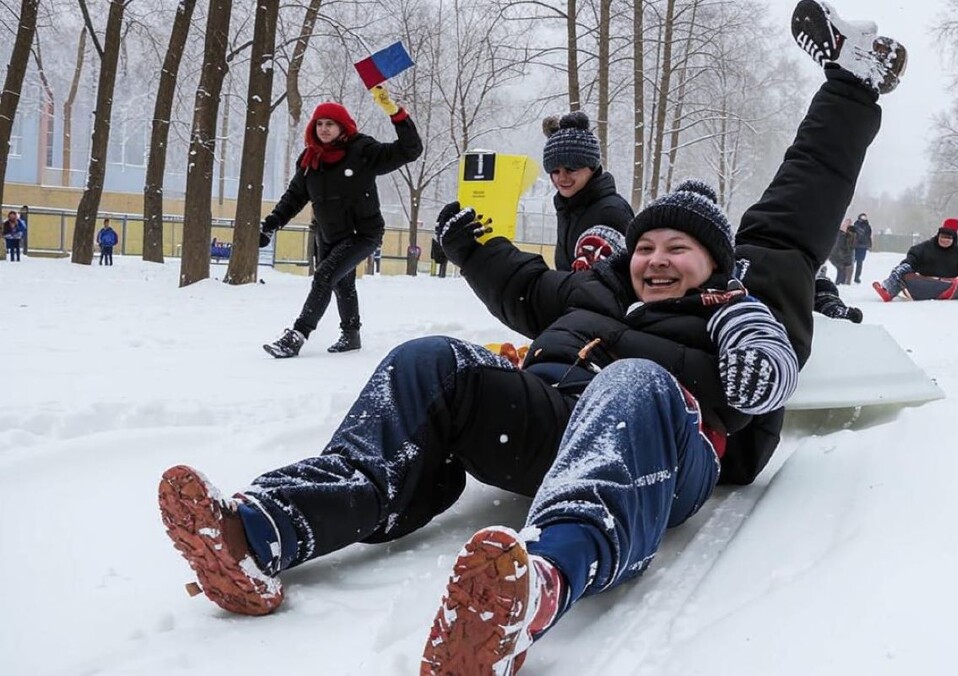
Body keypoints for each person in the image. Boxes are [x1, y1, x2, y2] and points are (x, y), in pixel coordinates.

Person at [155, 2, 902, 673]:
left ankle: (531, 592)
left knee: (633, 380)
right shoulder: (599, 288)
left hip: (661, 451)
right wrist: (470, 246)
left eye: (680, 248)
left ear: (715, 261)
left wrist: (849, 90)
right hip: (548, 425)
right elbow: (524, 287)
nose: (656, 258)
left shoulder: (740, 300)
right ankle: (259, 533)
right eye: (646, 247)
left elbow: (801, 215)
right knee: (431, 358)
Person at [260, 85, 423, 358]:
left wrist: (396, 114)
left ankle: (297, 335)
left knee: (325, 276)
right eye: (319, 123)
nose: (324, 129)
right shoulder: (310, 158)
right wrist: (271, 224)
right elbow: (294, 196)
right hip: (328, 234)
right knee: (341, 282)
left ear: (342, 126)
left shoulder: (362, 150)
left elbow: (410, 149)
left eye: (330, 124)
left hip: (363, 233)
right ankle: (351, 335)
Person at [542, 111, 635, 271]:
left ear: (592, 167)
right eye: (555, 172)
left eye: (571, 169)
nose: (562, 178)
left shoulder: (610, 212)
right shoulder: (568, 209)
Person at [872, 217, 958, 301]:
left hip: (948, 283)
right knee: (902, 270)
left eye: (948, 238)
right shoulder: (926, 247)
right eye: (942, 237)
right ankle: (888, 290)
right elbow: (913, 257)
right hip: (925, 283)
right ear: (938, 236)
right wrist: (907, 264)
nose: (945, 240)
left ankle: (946, 291)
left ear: (953, 239)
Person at [829, 217, 855, 284]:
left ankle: (841, 283)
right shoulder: (841, 235)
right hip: (837, 256)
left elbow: (849, 248)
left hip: (842, 256)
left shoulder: (849, 235)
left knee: (843, 270)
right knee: (841, 269)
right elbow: (839, 247)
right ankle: (838, 283)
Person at [849, 211, 872, 283]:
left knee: (860, 263)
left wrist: (869, 244)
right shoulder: (856, 225)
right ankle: (848, 278)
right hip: (855, 246)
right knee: (852, 262)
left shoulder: (867, 226)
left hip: (863, 247)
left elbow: (868, 236)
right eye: (862, 217)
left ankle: (857, 278)